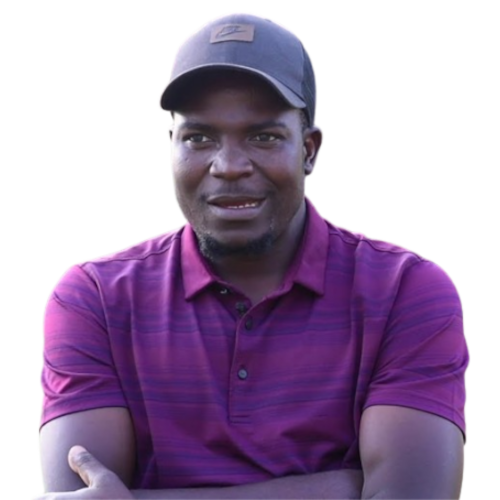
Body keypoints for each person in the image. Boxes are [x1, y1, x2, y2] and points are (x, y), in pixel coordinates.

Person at [34, 10, 469, 500]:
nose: (228, 166)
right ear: (171, 146)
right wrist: (341, 488)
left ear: (310, 150)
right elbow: (77, 496)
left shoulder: (407, 291)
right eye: (199, 137)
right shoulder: (93, 297)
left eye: (263, 136)